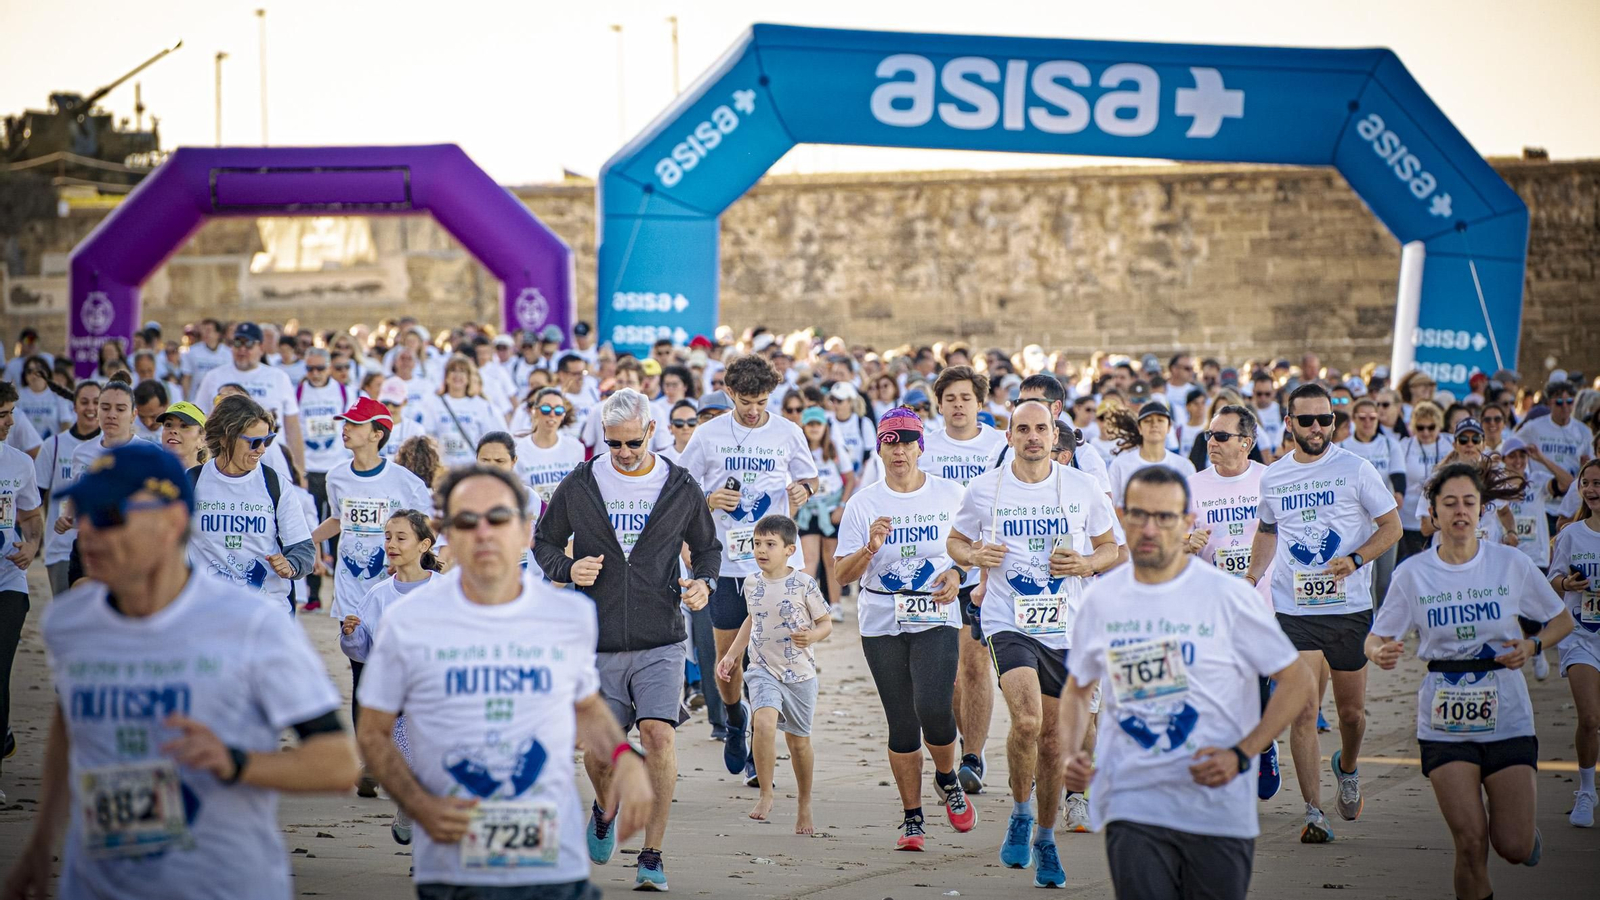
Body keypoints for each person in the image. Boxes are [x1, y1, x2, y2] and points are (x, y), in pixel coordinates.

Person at [2, 442, 359, 899]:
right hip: (94, 882)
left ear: (171, 522)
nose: (88, 531)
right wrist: (40, 841)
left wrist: (236, 762)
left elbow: (338, 764)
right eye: (84, 510)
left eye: (110, 514)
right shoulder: (70, 621)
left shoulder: (251, 625)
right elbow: (69, 724)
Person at [356, 464, 653, 900]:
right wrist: (418, 806)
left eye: (497, 518)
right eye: (466, 521)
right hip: (454, 862)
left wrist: (624, 757)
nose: (483, 533)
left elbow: (586, 706)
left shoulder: (569, 615)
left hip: (554, 856)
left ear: (525, 529)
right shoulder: (407, 621)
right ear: (445, 532)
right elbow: (372, 732)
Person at [1060, 466, 1314, 900]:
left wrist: (1243, 753)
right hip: (1133, 799)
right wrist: (1069, 753)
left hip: (1216, 804)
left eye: (1165, 517)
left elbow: (1297, 681)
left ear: (1188, 523)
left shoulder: (1227, 597)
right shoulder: (1101, 600)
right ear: (1121, 516)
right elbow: (1078, 688)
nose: (1150, 528)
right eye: (1139, 515)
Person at [533, 388, 720, 891]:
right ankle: (605, 805)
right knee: (598, 753)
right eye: (612, 444)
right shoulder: (582, 482)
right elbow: (543, 542)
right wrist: (569, 568)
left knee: (658, 735)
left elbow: (708, 549)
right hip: (596, 640)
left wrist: (704, 584)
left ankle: (652, 855)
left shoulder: (679, 486)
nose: (622, 453)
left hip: (661, 636)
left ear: (652, 433)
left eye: (632, 443)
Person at [1367, 462, 1571, 897]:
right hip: (1444, 719)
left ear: (1482, 510)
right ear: (1434, 513)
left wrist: (1534, 647)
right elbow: (1377, 637)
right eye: (1450, 503)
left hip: (1508, 711)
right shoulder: (1412, 574)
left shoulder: (1510, 563)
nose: (1460, 511)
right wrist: (1378, 651)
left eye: (1469, 502)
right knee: (1470, 841)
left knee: (1512, 846)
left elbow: (1561, 619)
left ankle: (1523, 834)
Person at [947, 400, 1119, 887]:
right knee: (1027, 720)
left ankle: (1044, 836)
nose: (1032, 437)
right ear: (1008, 436)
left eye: (1040, 429)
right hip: (1009, 621)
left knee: (1052, 742)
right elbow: (956, 541)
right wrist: (974, 553)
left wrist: (1086, 564)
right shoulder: (986, 489)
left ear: (1054, 436)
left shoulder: (1082, 488)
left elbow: (1113, 548)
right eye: (1022, 429)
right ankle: (1020, 811)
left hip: (1069, 629)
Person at [1245, 382, 1402, 843]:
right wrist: (1251, 578)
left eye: (1326, 419)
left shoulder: (1356, 469)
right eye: (1308, 420)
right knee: (1303, 709)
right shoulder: (1274, 476)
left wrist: (1355, 560)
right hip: (1295, 610)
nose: (1318, 428)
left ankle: (1348, 768)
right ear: (1288, 422)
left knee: (1351, 714)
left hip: (1349, 608)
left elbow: (1391, 527)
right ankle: (1314, 811)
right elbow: (1268, 530)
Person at [834, 408, 975, 851]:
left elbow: (970, 554)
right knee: (901, 722)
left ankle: (948, 777)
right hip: (882, 620)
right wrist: (869, 548)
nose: (899, 450)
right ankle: (912, 818)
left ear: (921, 446)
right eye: (890, 442)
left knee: (934, 707)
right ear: (879, 449)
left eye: (906, 441)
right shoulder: (864, 503)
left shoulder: (951, 495)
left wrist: (956, 574)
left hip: (936, 615)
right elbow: (841, 575)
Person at [678, 354, 818, 787]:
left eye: (761, 401)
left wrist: (803, 489)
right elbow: (679, 492)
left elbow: (811, 480)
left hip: (775, 566)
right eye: (745, 401)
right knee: (728, 661)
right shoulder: (707, 434)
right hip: (725, 560)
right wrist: (707, 500)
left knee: (771, 657)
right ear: (728, 393)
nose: (753, 410)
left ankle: (760, 743)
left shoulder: (788, 432)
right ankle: (735, 717)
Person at [1184, 403, 1285, 797]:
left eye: (1222, 436)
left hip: (1262, 602)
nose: (1212, 442)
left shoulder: (1270, 479)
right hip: (1212, 607)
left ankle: (1263, 748)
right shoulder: (1193, 486)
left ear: (1246, 442)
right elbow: (1173, 548)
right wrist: (1185, 545)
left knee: (1258, 689)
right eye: (1210, 435)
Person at [716, 514, 831, 833]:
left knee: (798, 744)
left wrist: (811, 636)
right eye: (756, 544)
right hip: (762, 670)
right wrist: (731, 655)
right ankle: (766, 793)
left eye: (770, 544)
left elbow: (826, 624)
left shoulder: (804, 583)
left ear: (790, 549)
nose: (761, 550)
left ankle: (804, 802)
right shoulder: (752, 582)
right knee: (763, 721)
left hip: (800, 675)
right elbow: (751, 620)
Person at [338, 508, 442, 844]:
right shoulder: (379, 594)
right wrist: (351, 635)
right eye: (387, 537)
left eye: (401, 537)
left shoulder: (447, 591)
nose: (391, 544)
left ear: (424, 544)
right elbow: (364, 653)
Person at [186, 394, 315, 614]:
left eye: (267, 440)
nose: (262, 449)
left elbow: (303, 549)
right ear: (226, 438)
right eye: (254, 442)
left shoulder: (275, 484)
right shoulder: (191, 481)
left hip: (266, 614)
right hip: (206, 612)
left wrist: (291, 565)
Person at [1550, 457, 1600, 828]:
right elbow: (1552, 580)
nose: (1593, 489)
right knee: (1590, 717)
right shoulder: (1571, 534)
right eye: (1587, 483)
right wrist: (1568, 584)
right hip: (1582, 633)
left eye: (1598, 482)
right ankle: (1585, 790)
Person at [193, 323, 307, 483]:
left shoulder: (278, 377)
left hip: (270, 456)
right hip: (226, 461)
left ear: (261, 347)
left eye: (248, 344)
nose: (242, 349)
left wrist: (300, 470)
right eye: (237, 343)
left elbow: (293, 428)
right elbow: (200, 422)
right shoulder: (214, 377)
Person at [0, 381, 44, 784]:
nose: (10, 422)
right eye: (2, 415)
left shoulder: (19, 463)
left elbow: (31, 517)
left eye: (11, 413)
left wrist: (31, 546)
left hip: (8, 580)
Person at [297, 347, 354, 611]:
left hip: (336, 467)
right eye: (310, 369)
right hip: (309, 469)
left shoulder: (342, 391)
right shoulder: (298, 392)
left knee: (340, 528)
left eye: (320, 368)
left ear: (329, 367)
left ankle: (338, 593)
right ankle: (313, 594)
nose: (315, 374)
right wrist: (299, 469)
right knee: (311, 528)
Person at [33, 380, 99, 595]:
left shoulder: (112, 448)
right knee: (67, 618)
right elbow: (35, 498)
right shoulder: (53, 445)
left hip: (99, 548)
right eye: (84, 402)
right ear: (74, 406)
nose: (91, 408)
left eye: (97, 402)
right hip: (61, 549)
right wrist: (33, 539)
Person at [1340, 397, 1407, 602]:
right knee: (1365, 576)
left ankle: (1382, 626)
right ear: (1354, 420)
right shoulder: (1343, 446)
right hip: (1356, 523)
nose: (1367, 423)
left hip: (1382, 520)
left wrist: (1399, 494)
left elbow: (1398, 476)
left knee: (1384, 579)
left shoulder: (1388, 444)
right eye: (1362, 418)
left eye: (1372, 418)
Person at [796, 407, 853, 621]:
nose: (813, 429)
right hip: (808, 510)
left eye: (817, 424)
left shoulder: (835, 450)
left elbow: (849, 478)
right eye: (809, 424)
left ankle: (835, 604)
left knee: (832, 560)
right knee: (809, 559)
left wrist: (842, 505)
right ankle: (806, 606)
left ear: (824, 427)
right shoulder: (800, 450)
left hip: (830, 511)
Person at [1516, 379, 1593, 533]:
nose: (1564, 406)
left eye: (1569, 401)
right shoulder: (1533, 428)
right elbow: (1512, 446)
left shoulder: (1583, 431)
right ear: (1549, 403)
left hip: (1571, 506)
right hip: (1543, 501)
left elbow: (1590, 466)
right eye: (1559, 402)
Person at [1104, 401, 1198, 507]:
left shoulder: (1184, 466)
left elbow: (1191, 507)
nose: (1154, 425)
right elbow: (1111, 507)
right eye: (1148, 421)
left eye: (1160, 420)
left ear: (1169, 427)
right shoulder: (1120, 465)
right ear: (1139, 428)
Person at [422, 354, 499, 469]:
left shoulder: (480, 405)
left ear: (468, 378)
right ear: (446, 377)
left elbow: (489, 437)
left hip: (472, 468)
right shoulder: (434, 403)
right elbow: (429, 436)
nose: (457, 375)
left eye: (462, 371)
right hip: (443, 468)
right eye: (453, 370)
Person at [514, 387, 585, 508]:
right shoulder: (519, 450)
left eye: (558, 410)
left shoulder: (576, 448)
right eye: (546, 409)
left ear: (563, 415)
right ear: (535, 411)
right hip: (534, 521)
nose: (552, 414)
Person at [1398, 401, 1451, 561]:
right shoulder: (1405, 446)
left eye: (1431, 427)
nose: (1426, 432)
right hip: (1409, 517)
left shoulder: (1449, 445)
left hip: (1439, 518)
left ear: (1439, 425)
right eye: (1420, 428)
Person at [15, 356, 72, 440]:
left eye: (39, 370)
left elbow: (66, 423)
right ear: (25, 375)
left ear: (47, 372)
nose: (34, 374)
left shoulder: (58, 394)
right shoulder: (18, 395)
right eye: (29, 371)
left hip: (52, 449)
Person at [156, 401, 207, 469]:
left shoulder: (208, 477)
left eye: (183, 426)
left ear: (202, 440)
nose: (173, 431)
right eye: (168, 425)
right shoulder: (150, 473)